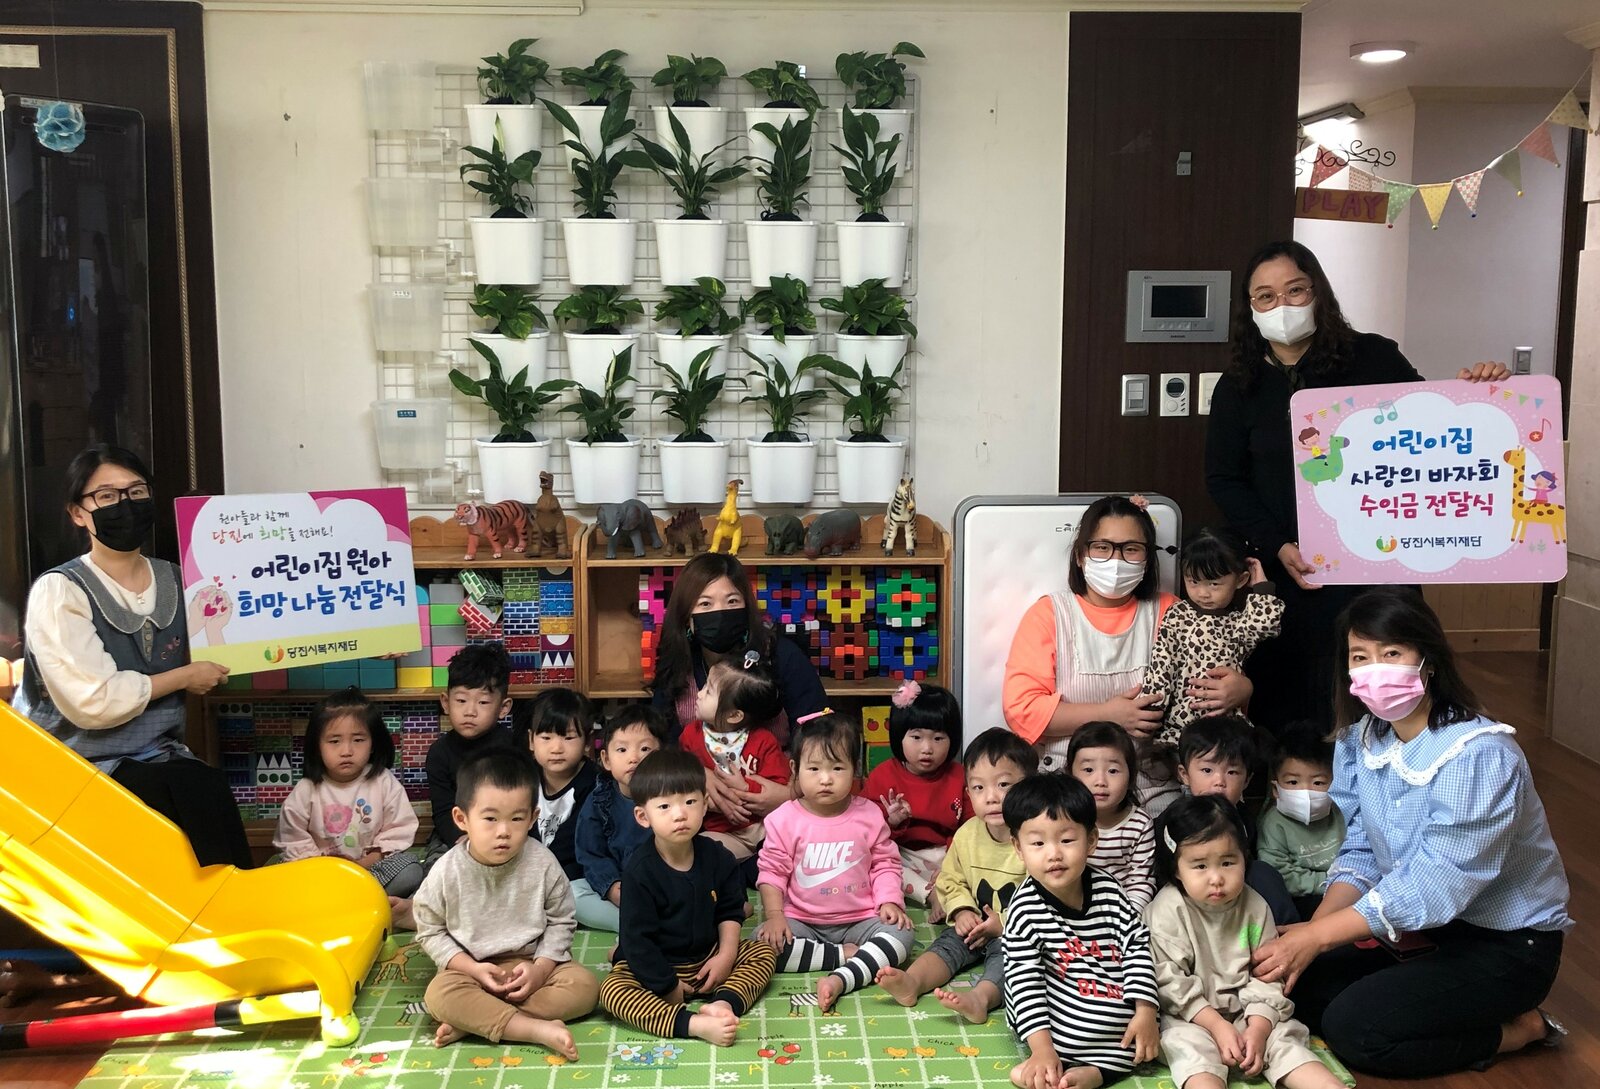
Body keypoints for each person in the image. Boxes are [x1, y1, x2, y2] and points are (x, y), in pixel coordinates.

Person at [1250, 589, 1571, 1078]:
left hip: (1507, 945)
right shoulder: (1361, 740)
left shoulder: (1478, 754)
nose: (1374, 669)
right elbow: (1361, 849)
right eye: (1360, 657)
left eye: (1392, 653)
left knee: (1357, 1031)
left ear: (1429, 661)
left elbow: (1435, 887)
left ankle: (1521, 1029)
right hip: (1427, 931)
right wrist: (1316, 935)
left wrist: (1318, 937)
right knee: (1304, 990)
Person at [1205, 240, 1509, 728]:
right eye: (1265, 296)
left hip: (1377, 566)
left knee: (1388, 695)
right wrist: (1276, 544)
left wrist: (1480, 392)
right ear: (1250, 308)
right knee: (1294, 706)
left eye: (1295, 290)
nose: (1282, 305)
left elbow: (1432, 430)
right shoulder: (1238, 385)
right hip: (1291, 571)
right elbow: (1224, 479)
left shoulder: (1373, 357)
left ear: (1318, 293)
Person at [11, 444, 251, 868]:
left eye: (136, 492)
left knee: (205, 787)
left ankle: (236, 900)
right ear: (78, 513)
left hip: (158, 753)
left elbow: (229, 646)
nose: (125, 505)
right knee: (171, 799)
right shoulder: (60, 590)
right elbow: (94, 702)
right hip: (72, 762)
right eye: (106, 496)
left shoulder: (179, 580)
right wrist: (183, 677)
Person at [1002, 495, 1252, 804]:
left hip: (1152, 783)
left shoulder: (1173, 612)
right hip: (1065, 783)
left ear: (1148, 559)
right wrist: (1108, 714)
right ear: (1080, 555)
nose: (1116, 561)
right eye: (1102, 547)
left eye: (1131, 549)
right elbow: (1022, 711)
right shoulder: (1050, 614)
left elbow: (1206, 688)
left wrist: (1241, 690)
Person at [1146, 796, 1343, 1089]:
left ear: (1244, 858)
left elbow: (1268, 971)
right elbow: (1169, 982)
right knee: (1188, 1048)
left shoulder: (1254, 908)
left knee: (1285, 1040)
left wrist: (1259, 1029)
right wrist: (1216, 1025)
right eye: (1200, 866)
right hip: (1191, 1018)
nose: (1216, 878)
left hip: (1249, 1013)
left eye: (1228, 862)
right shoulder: (1168, 910)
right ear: (1176, 869)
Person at [414, 750, 600, 1056]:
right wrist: (472, 969)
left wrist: (540, 969)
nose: (504, 831)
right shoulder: (446, 871)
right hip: (471, 970)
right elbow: (430, 930)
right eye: (490, 819)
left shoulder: (542, 862)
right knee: (439, 995)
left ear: (532, 818)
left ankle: (477, 1020)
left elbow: (562, 920)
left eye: (516, 819)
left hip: (532, 963)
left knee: (586, 987)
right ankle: (533, 1029)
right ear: (462, 819)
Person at [598, 749, 777, 1046]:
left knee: (763, 953)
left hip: (709, 957)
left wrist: (725, 957)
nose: (680, 814)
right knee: (612, 991)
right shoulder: (639, 871)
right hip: (660, 964)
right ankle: (691, 1024)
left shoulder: (718, 856)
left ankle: (723, 1004)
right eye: (664, 806)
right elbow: (638, 940)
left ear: (705, 805)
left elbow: (730, 911)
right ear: (643, 816)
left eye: (690, 802)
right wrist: (667, 986)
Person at [1002, 773, 1160, 1089]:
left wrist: (1145, 1009)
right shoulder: (1024, 909)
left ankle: (1097, 1071)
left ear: (1091, 840)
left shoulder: (1109, 890)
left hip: (1106, 990)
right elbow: (1025, 983)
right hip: (1056, 1002)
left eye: (1066, 840)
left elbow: (1136, 947)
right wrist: (1042, 1050)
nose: (1054, 854)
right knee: (1050, 1029)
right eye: (1038, 843)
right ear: (1018, 848)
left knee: (1142, 1030)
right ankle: (1055, 1064)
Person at [875, 727, 1038, 1024]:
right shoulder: (968, 834)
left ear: (1029, 786)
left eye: (1004, 785)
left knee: (1012, 963)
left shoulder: (1035, 836)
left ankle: (980, 999)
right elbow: (951, 879)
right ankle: (912, 982)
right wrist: (962, 910)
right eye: (978, 788)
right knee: (947, 945)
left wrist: (1005, 924)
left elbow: (1045, 892)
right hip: (974, 924)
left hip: (1017, 933)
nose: (991, 797)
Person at [755, 712, 912, 1013]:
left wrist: (890, 901)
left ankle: (842, 978)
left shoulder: (869, 815)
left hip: (861, 919)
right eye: (814, 768)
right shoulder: (783, 819)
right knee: (761, 944)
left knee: (902, 935)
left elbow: (885, 864)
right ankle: (844, 956)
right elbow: (771, 872)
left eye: (838, 768)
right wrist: (775, 916)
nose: (826, 779)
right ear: (795, 768)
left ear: (855, 769)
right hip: (802, 921)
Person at [652, 554, 823, 829]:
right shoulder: (677, 666)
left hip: (787, 807)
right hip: (702, 813)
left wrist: (791, 794)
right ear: (686, 617)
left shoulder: (782, 656)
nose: (720, 612)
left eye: (732, 601)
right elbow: (660, 744)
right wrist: (696, 774)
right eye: (705, 604)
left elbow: (820, 733)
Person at [391, 643, 515, 930]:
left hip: (502, 829)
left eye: (483, 703)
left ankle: (488, 915)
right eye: (461, 701)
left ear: (503, 707)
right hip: (454, 832)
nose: (470, 711)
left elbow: (520, 801)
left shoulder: (512, 748)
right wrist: (462, 839)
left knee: (513, 872)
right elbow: (443, 809)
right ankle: (421, 911)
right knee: (439, 869)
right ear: (446, 703)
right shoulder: (439, 753)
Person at [1144, 527, 1284, 751]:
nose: (1203, 593)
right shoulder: (1178, 614)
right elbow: (1162, 663)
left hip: (1225, 725)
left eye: (1214, 584)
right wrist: (1151, 710)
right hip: (1179, 725)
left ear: (1240, 580)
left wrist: (1261, 586)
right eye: (1193, 581)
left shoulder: (1239, 622)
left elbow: (1264, 625)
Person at [274, 687, 424, 896]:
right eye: (334, 741)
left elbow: (398, 829)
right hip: (319, 875)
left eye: (358, 740)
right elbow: (293, 839)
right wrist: (329, 870)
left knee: (410, 870)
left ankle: (357, 900)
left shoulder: (383, 781)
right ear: (317, 746)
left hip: (369, 872)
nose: (346, 751)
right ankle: (343, 901)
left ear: (373, 744)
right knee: (279, 878)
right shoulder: (306, 789)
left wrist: (363, 865)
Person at [1174, 715, 1299, 926]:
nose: (1219, 781)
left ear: (1247, 780)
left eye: (1232, 772)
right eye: (1207, 770)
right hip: (1192, 904)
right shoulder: (1176, 821)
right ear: (1184, 774)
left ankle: (1286, 931)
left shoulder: (1244, 820)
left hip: (1237, 899)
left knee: (1263, 873)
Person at [863, 680, 966, 922]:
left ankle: (952, 892)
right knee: (879, 863)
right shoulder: (883, 775)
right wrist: (892, 821)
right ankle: (930, 895)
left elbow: (970, 826)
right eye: (916, 737)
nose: (927, 748)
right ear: (899, 736)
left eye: (938, 738)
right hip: (903, 855)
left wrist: (952, 860)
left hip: (946, 854)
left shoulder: (959, 775)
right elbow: (866, 831)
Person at [679, 650, 790, 863]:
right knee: (702, 852)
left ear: (734, 715)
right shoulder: (691, 735)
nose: (699, 694)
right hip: (725, 833)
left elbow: (779, 787)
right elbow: (680, 774)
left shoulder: (763, 741)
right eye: (704, 687)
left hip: (766, 828)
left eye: (708, 691)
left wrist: (746, 788)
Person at [572, 704, 675, 931]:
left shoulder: (672, 797)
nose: (634, 758)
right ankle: (641, 925)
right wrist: (612, 887)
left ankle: (654, 923)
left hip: (665, 887)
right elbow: (590, 854)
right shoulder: (599, 800)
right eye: (622, 750)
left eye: (645, 749)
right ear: (606, 759)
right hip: (620, 889)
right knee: (572, 893)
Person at [1255, 721, 1345, 920]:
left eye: (1318, 782)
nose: (1305, 791)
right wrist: (1330, 881)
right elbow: (1282, 875)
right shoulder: (1273, 824)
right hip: (1301, 901)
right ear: (1276, 789)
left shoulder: (1341, 813)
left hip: (1346, 893)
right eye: (1293, 782)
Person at [514, 688, 599, 887]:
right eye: (546, 737)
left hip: (576, 881)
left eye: (568, 738)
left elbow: (586, 851)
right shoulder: (522, 778)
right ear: (531, 740)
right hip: (526, 876)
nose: (556, 748)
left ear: (587, 741)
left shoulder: (597, 787)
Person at [1069, 721, 1156, 911]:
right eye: (1088, 770)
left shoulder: (1139, 824)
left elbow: (1141, 882)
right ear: (1070, 774)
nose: (1100, 781)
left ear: (1131, 777)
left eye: (1113, 771)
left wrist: (1126, 917)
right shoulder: (1065, 820)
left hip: (1122, 911)